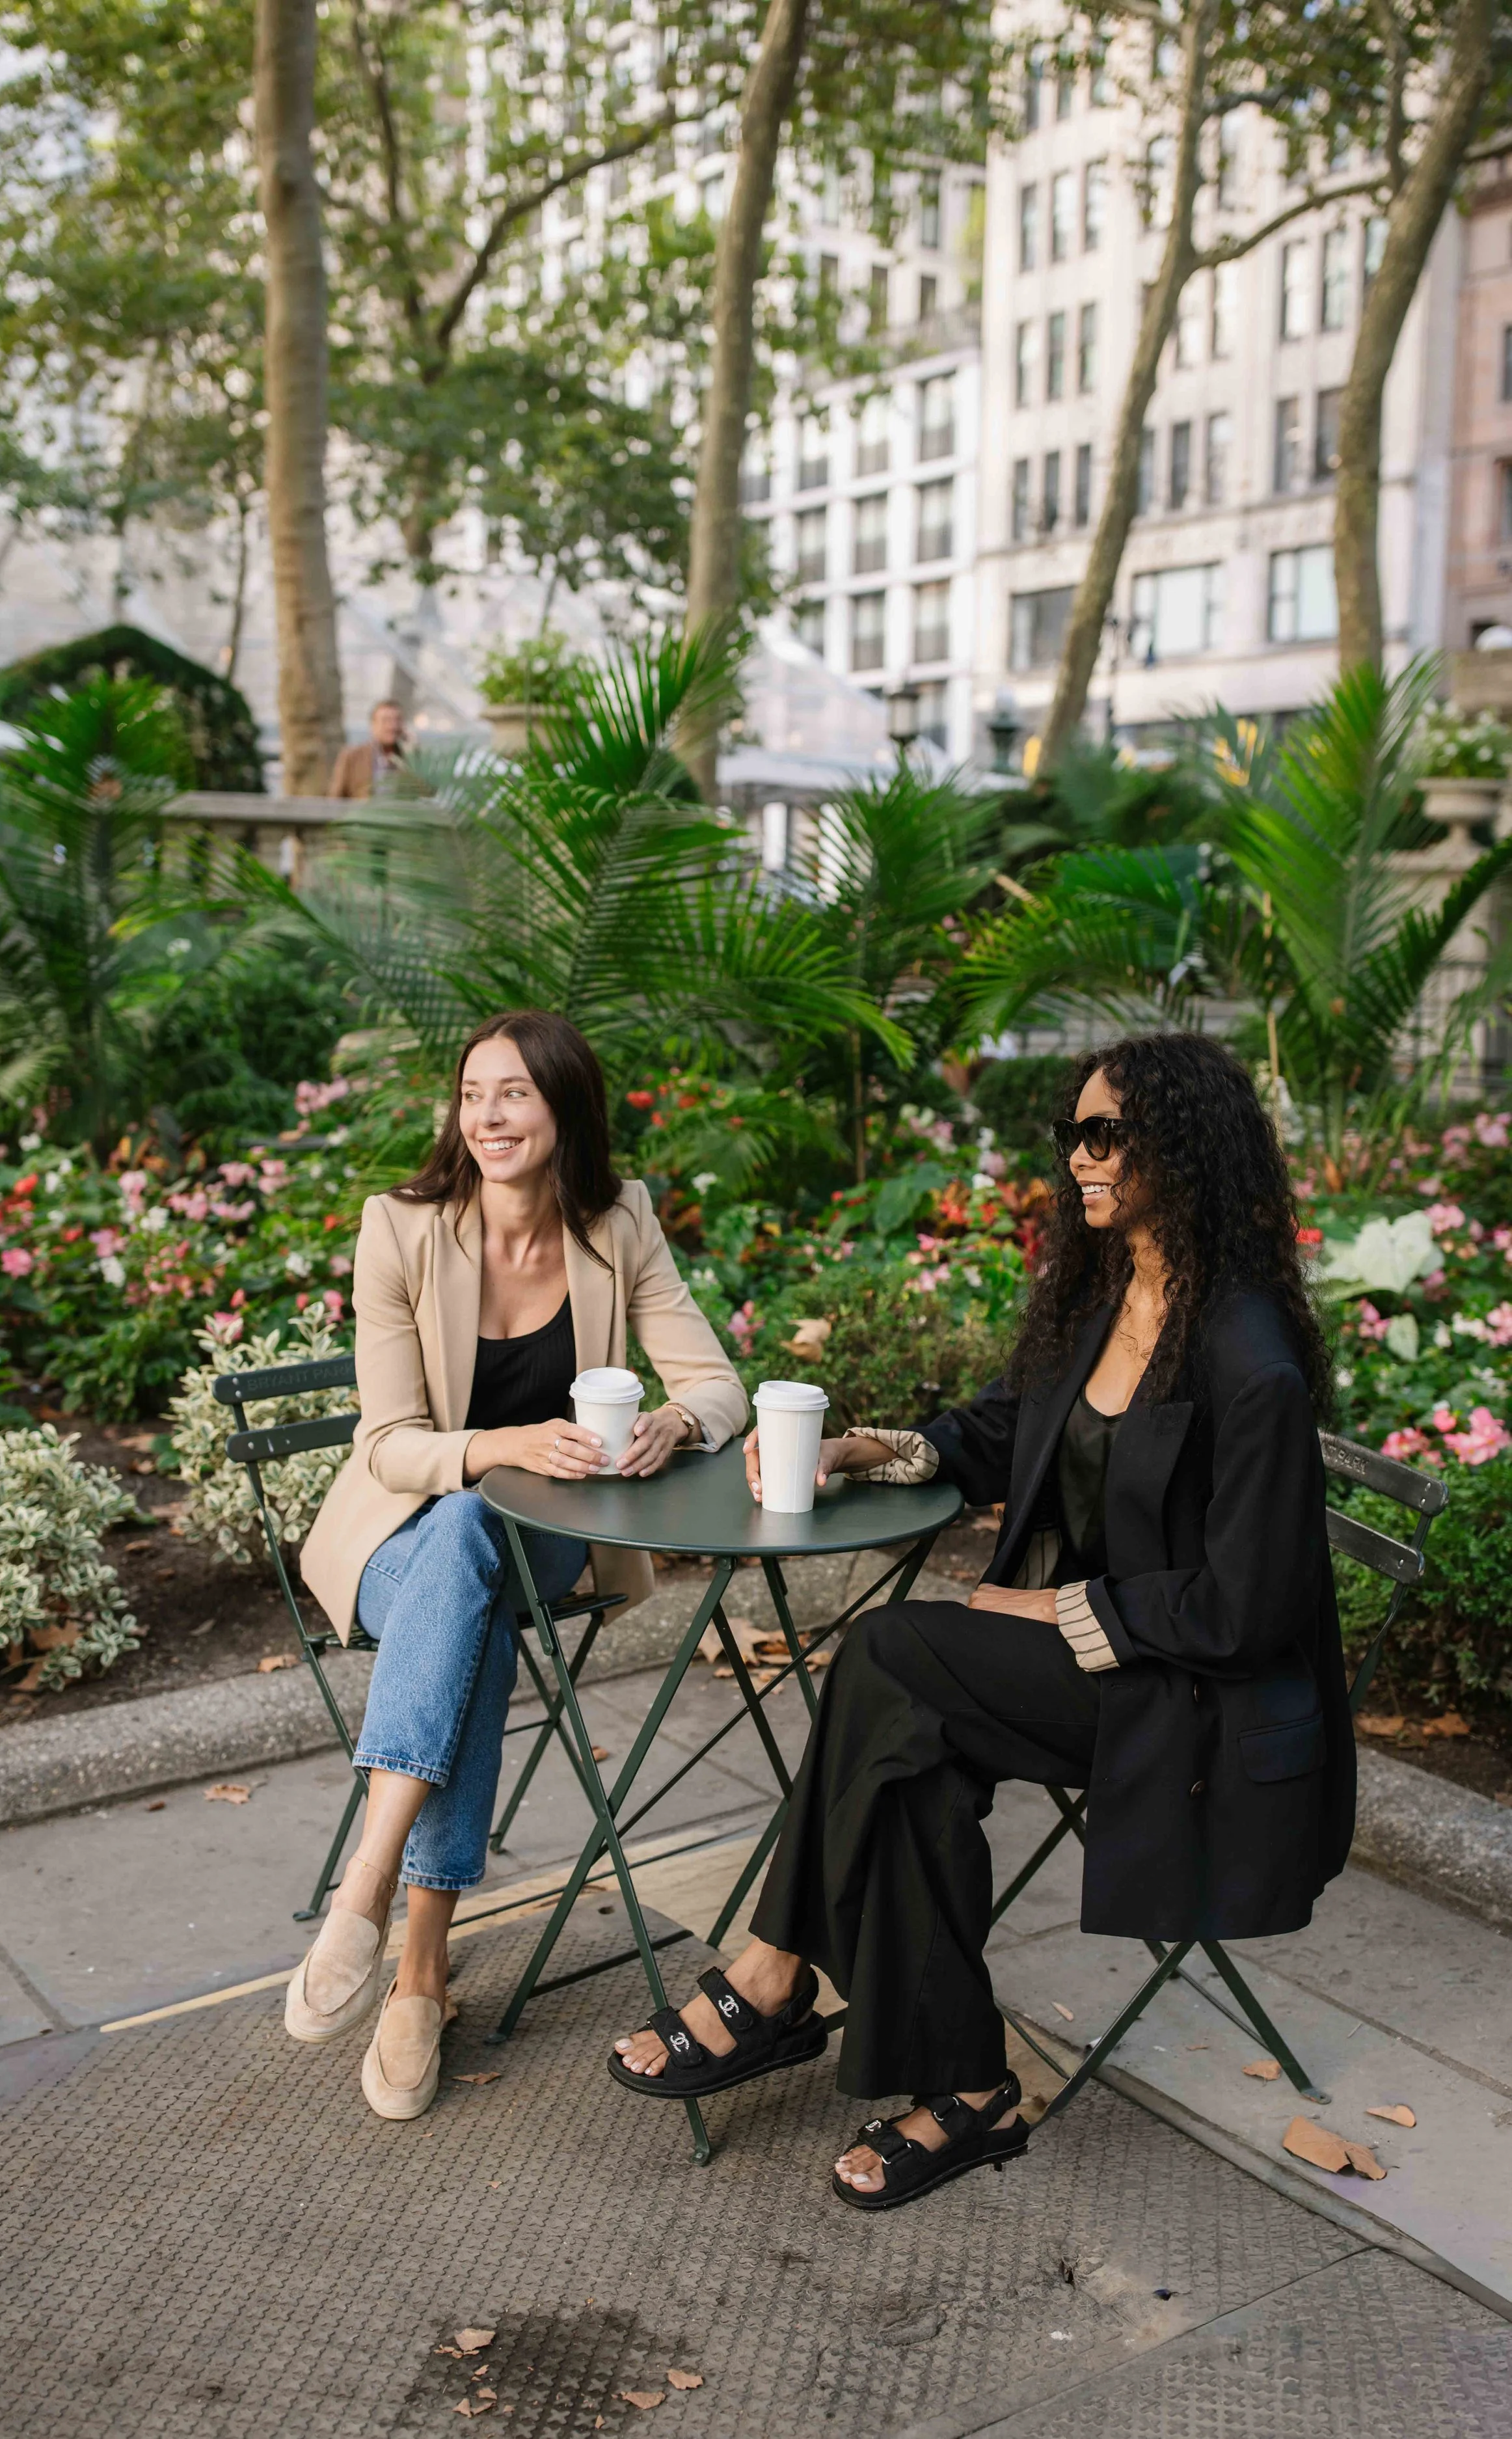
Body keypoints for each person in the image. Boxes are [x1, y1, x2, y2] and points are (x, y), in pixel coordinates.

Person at [609, 1032, 1349, 2213]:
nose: (1083, 1157)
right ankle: (961, 2084)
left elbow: (1247, 1608)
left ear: (1186, 1150)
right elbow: (1007, 1429)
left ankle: (773, 1973)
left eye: (1108, 1135)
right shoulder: (1110, 1294)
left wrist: (1056, 1606)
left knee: (894, 1654)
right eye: (1076, 1134)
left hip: (1185, 1697)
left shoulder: (1248, 1354)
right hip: (1096, 1669)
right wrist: (872, 1448)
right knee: (911, 1757)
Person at [289, 1009, 748, 2119]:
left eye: (515, 1094)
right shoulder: (400, 1228)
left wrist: (675, 1426)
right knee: (462, 1551)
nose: (487, 1115)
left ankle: (370, 1876)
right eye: (472, 1093)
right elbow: (390, 1441)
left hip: (546, 1539)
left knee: (481, 1549)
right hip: (406, 1538)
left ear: (564, 1109)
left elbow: (721, 1384)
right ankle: (416, 1970)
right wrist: (498, 1444)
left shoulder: (618, 1222)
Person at [329, 699, 407, 798]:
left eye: (398, 720)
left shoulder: (410, 759)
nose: (392, 726)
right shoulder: (352, 756)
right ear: (373, 725)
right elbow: (336, 797)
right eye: (386, 720)